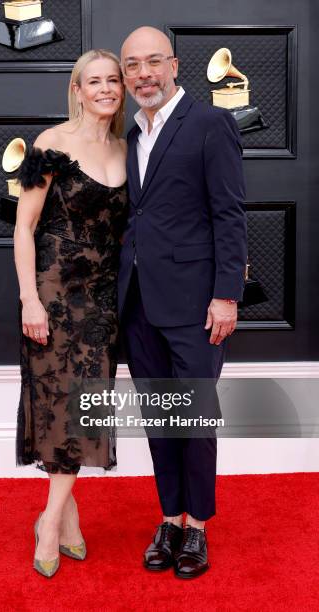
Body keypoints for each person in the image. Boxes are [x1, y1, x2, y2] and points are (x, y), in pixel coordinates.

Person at [118, 27, 247, 578]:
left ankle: (198, 529)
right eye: (132, 66)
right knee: (159, 419)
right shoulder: (129, 136)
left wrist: (226, 295)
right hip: (139, 304)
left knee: (194, 419)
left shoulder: (210, 123)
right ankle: (169, 518)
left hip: (197, 305)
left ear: (172, 64)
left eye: (152, 62)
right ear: (125, 76)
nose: (143, 73)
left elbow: (230, 214)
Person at [13, 49, 128, 578]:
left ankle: (60, 517)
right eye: (94, 81)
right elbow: (24, 228)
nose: (105, 88)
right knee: (61, 408)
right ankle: (54, 522)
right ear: (77, 90)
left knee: (85, 410)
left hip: (103, 300)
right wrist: (29, 299)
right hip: (54, 293)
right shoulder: (51, 144)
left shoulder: (131, 149)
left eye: (113, 80)